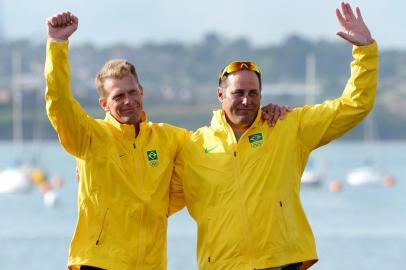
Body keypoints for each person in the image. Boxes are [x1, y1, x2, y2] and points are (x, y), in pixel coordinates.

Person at [45, 12, 288, 270]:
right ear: (104, 103)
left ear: (142, 92)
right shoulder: (89, 136)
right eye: (118, 97)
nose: (128, 101)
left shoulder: (169, 138)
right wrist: (57, 45)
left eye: (132, 92)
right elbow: (59, 103)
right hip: (99, 262)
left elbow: (219, 145)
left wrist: (261, 115)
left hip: (151, 264)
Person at [170, 3, 378, 270]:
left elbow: (354, 106)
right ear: (221, 95)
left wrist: (365, 51)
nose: (246, 100)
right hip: (222, 265)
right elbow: (152, 200)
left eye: (254, 93)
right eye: (238, 93)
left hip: (281, 262)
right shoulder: (193, 146)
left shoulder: (287, 126)